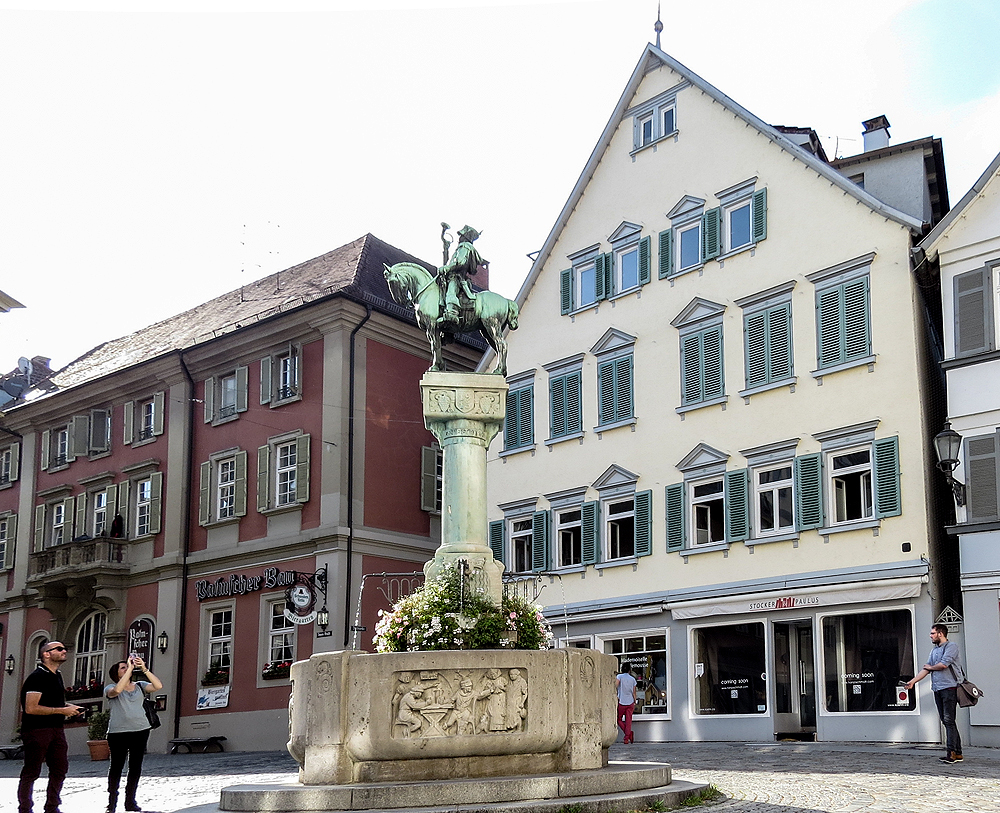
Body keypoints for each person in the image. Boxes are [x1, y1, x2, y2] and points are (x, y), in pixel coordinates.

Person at [18, 641, 83, 813]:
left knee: (60, 768)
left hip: (56, 730)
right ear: (46, 654)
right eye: (59, 649)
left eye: (65, 648)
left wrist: (70, 708)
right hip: (36, 730)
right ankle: (25, 808)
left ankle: (52, 806)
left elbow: (54, 703)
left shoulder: (57, 675)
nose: (64, 651)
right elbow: (31, 708)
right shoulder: (37, 677)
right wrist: (62, 710)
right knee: (32, 771)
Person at [104, 655, 164, 812]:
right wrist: (130, 668)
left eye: (127, 666)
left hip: (140, 730)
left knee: (135, 767)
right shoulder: (109, 687)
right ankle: (112, 803)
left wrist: (144, 668)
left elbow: (158, 686)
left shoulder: (139, 685)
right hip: (118, 733)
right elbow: (117, 690)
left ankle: (130, 801)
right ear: (116, 674)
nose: (127, 667)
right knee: (116, 767)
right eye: (122, 667)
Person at [905, 624, 964, 764]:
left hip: (950, 688)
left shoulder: (951, 647)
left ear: (941, 633)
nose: (930, 636)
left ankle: (951, 753)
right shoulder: (934, 651)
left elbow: (943, 664)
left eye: (933, 633)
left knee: (949, 720)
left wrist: (931, 667)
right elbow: (925, 669)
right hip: (937, 688)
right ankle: (958, 753)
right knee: (946, 721)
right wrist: (912, 682)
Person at [436, 225, 486, 328]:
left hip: (457, 278)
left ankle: (452, 315)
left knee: (451, 292)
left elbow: (460, 262)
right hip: (450, 277)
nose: (459, 237)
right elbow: (448, 263)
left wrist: (447, 269)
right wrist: (446, 250)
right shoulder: (461, 248)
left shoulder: (465, 247)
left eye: (461, 235)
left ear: (465, 237)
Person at [615, 664, 638, 744]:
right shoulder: (633, 679)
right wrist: (635, 700)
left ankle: (628, 735)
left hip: (622, 701)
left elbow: (616, 686)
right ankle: (626, 738)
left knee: (618, 719)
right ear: (629, 670)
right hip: (630, 702)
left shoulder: (619, 677)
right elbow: (634, 692)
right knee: (628, 721)